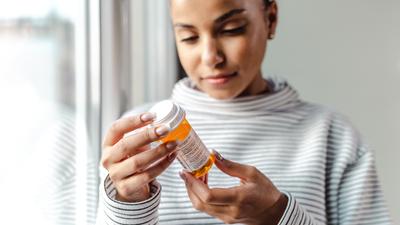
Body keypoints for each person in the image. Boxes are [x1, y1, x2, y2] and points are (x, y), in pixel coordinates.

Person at [96, 0, 392, 224]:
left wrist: (278, 216)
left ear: (271, 18)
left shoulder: (332, 137)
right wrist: (127, 206)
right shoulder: (134, 141)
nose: (211, 57)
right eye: (189, 37)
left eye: (231, 30)